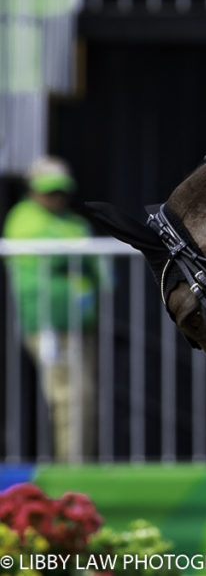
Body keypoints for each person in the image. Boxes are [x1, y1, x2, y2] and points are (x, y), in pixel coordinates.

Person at [2, 156, 101, 462]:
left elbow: (93, 261)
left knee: (82, 397)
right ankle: (72, 470)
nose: (55, 197)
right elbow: (65, 254)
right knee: (71, 397)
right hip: (49, 325)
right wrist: (78, 252)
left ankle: (77, 465)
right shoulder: (23, 218)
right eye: (48, 190)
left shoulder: (70, 221)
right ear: (32, 190)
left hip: (79, 322)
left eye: (60, 191)